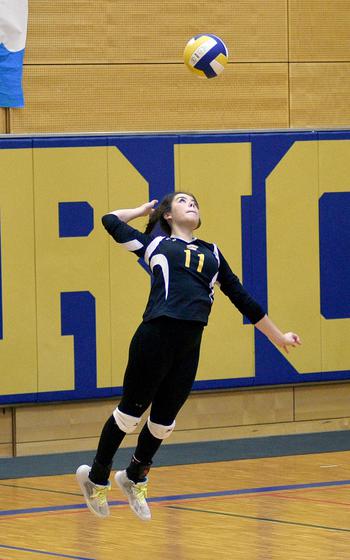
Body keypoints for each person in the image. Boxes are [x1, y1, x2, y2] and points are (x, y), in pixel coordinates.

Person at [76, 191, 301, 521]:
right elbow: (110, 220)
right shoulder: (155, 245)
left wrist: (278, 336)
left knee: (164, 423)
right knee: (130, 415)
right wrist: (141, 210)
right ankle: (96, 478)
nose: (192, 204)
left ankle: (133, 478)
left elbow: (242, 298)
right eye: (182, 201)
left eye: (195, 201)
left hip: (189, 344)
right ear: (168, 214)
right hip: (155, 335)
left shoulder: (212, 253)